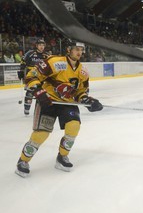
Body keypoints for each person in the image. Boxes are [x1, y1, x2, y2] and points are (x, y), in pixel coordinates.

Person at [15, 41, 103, 178]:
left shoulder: (83, 72)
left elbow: (81, 92)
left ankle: (62, 157)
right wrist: (39, 92)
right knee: (41, 135)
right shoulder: (54, 61)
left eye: (81, 49)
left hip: (67, 103)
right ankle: (23, 161)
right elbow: (32, 76)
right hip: (48, 101)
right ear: (68, 50)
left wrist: (88, 101)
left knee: (74, 127)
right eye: (76, 49)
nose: (79, 52)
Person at [17, 38, 50, 115]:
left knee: (43, 92)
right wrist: (21, 72)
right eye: (40, 45)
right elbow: (23, 62)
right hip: (31, 75)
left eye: (43, 45)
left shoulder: (47, 55)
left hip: (42, 76)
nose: (41, 47)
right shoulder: (30, 53)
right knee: (30, 92)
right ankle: (27, 109)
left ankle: (41, 110)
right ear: (36, 46)